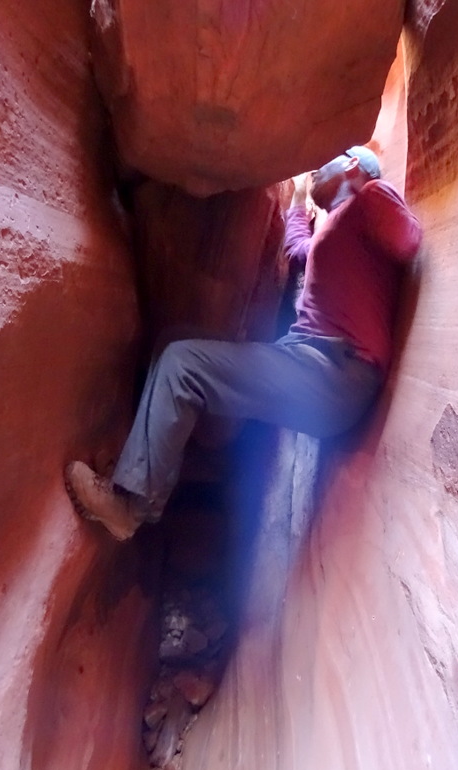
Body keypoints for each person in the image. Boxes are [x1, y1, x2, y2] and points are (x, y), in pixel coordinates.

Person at [65, 146, 422, 541]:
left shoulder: (369, 199)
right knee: (176, 340)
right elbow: (297, 250)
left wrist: (372, 191)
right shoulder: (337, 226)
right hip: (310, 363)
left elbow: (407, 240)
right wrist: (301, 203)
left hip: (335, 373)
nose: (316, 171)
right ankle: (141, 477)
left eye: (325, 163)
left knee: (184, 364)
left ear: (353, 166)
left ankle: (128, 505)